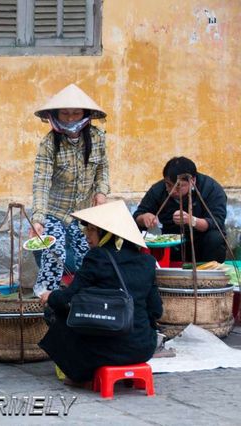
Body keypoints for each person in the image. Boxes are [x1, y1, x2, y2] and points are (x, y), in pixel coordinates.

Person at [39, 200, 163, 386]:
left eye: (91, 230)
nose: (87, 236)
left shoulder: (97, 257)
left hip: (104, 350)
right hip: (143, 348)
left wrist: (50, 296)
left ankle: (78, 371)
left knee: (54, 311)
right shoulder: (146, 262)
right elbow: (157, 311)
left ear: (106, 234)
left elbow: (66, 299)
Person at [30, 83, 110, 295]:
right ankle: (48, 296)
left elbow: (103, 169)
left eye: (76, 113)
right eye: (64, 113)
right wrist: (38, 218)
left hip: (83, 212)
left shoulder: (97, 138)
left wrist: (101, 193)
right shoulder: (49, 143)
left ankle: (86, 296)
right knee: (54, 252)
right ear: (55, 114)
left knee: (88, 255)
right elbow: (41, 182)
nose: (70, 118)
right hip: (55, 212)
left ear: (85, 114)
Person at [133, 157, 227, 263]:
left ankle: (209, 276)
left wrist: (192, 220)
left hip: (200, 242)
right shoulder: (158, 190)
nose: (172, 191)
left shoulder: (211, 189)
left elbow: (217, 222)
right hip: (171, 243)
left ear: (192, 181)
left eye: (179, 186)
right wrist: (145, 217)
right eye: (168, 185)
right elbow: (138, 215)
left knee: (215, 237)